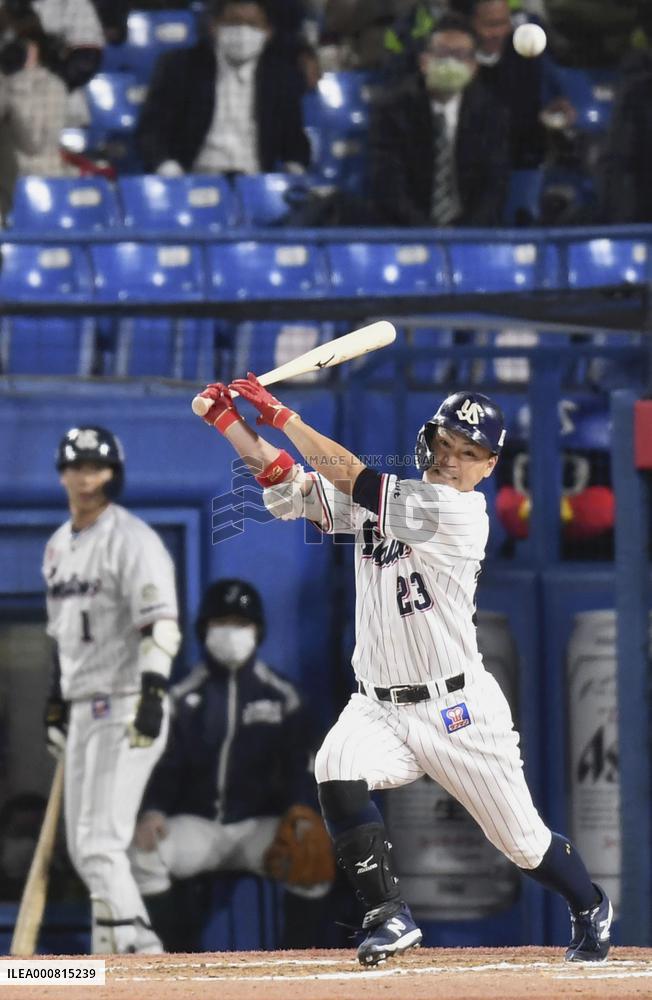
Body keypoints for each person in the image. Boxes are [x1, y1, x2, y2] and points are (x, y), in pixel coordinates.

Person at [191, 377, 613, 967]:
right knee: (336, 765)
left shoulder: (461, 513)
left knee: (523, 845)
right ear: (429, 439)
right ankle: (388, 914)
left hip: (457, 710)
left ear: (489, 466)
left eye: (470, 452)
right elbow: (289, 484)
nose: (453, 459)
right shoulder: (389, 497)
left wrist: (284, 417)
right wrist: (229, 424)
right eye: (447, 443)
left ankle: (590, 904)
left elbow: (356, 480)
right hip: (379, 705)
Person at [129, 578, 335, 951]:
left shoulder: (283, 696)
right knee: (143, 854)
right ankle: (177, 960)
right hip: (198, 825)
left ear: (257, 631)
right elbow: (163, 764)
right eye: (221, 622)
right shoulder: (181, 695)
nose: (231, 632)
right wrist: (154, 809)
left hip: (259, 827)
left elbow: (301, 762)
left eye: (241, 624)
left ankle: (297, 960)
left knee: (315, 855)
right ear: (203, 630)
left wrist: (302, 810)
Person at [43, 425, 181, 953]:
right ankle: (109, 957)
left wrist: (153, 694)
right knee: (85, 848)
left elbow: (160, 625)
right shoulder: (58, 546)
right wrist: (57, 701)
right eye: (76, 467)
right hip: (83, 703)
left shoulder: (132, 539)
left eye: (95, 467)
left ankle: (141, 954)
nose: (85, 477)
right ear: (63, 474)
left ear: (112, 474)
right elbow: (62, 634)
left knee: (100, 844)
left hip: (127, 702)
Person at [137, 0, 311, 177]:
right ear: (214, 26)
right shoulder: (180, 67)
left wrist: (295, 169)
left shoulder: (280, 78)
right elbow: (151, 132)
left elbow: (295, 143)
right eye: (233, 23)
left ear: (268, 32)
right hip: (194, 180)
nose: (243, 32)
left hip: (254, 181)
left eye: (252, 25)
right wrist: (167, 168)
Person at [369, 12, 510, 226]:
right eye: (442, 54)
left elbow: (494, 188)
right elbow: (388, 185)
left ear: (474, 66)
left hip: (471, 232)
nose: (450, 62)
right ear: (424, 61)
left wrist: (464, 234)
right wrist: (428, 232)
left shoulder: (491, 113)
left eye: (460, 55)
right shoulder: (392, 110)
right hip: (407, 229)